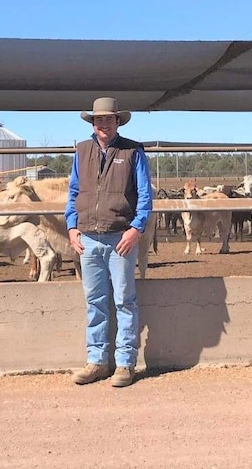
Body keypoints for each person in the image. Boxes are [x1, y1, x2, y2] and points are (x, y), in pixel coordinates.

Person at [65, 96, 153, 388]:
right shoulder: (82, 151)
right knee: (95, 302)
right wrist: (72, 226)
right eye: (98, 120)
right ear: (93, 123)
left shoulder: (133, 152)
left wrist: (135, 229)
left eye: (108, 119)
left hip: (120, 237)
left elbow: (144, 195)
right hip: (88, 238)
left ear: (118, 122)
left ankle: (126, 364)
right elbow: (74, 191)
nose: (103, 124)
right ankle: (97, 361)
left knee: (124, 301)